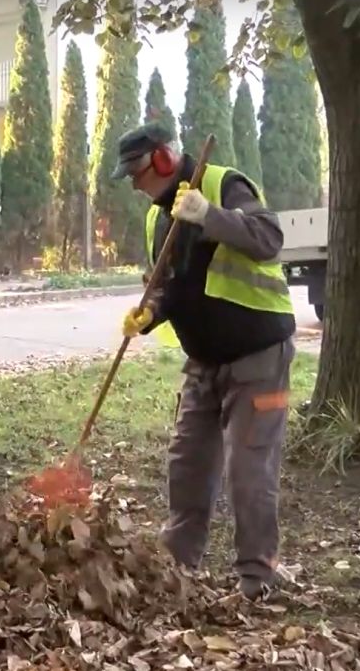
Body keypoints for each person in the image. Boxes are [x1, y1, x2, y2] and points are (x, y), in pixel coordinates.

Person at [110, 123, 296, 601]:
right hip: (204, 363)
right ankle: (176, 565)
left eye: (136, 172)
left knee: (248, 473)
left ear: (164, 159)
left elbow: (268, 237)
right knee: (187, 464)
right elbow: (169, 283)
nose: (133, 183)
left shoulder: (223, 186)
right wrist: (149, 313)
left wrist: (209, 214)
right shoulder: (158, 218)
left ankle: (257, 579)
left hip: (258, 357)